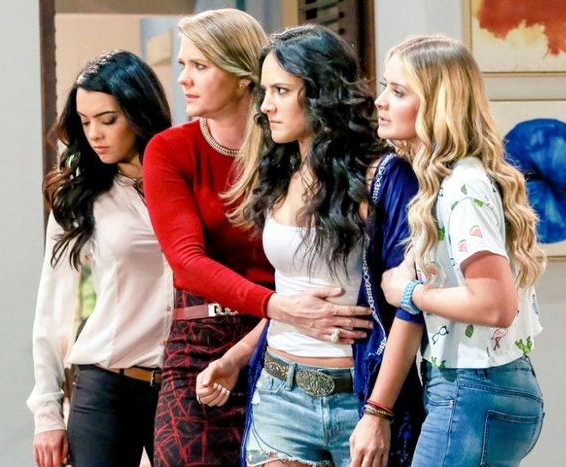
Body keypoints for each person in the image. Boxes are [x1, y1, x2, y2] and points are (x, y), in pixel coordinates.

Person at [143, 10, 373, 467]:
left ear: (242, 76)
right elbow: (186, 262)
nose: (183, 78)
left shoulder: (289, 150)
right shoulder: (172, 149)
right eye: (183, 65)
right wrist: (278, 310)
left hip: (299, 339)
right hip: (216, 335)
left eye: (199, 65)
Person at [195, 25, 424, 467]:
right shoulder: (279, 172)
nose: (266, 105)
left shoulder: (384, 176)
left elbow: (409, 309)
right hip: (279, 391)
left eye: (281, 91)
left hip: (357, 398)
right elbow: (295, 297)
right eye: (265, 91)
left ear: (322, 93)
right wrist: (235, 358)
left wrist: (378, 412)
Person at [356, 34, 546, 466]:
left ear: (437, 105)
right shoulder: (450, 181)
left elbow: (495, 304)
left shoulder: (463, 187)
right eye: (386, 87)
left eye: (398, 91)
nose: (381, 101)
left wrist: (410, 293)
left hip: (473, 389)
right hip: (480, 387)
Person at [27, 50, 172, 467]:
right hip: (106, 388)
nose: (94, 135)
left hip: (184, 384)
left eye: (107, 120)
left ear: (139, 112)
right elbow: (53, 306)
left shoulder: (186, 180)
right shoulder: (81, 197)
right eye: (85, 122)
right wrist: (47, 413)